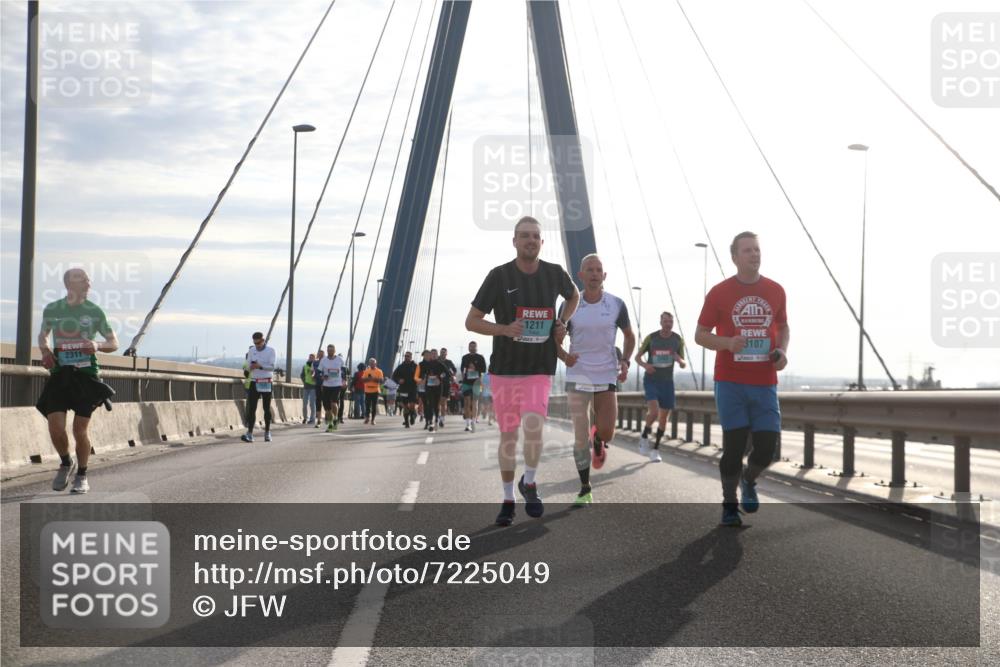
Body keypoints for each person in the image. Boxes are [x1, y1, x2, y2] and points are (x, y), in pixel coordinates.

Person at [466, 216, 580, 526]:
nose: (530, 240)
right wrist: (503, 328)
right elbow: (472, 321)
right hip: (504, 369)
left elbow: (574, 296)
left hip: (539, 368)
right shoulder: (498, 276)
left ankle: (529, 482)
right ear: (514, 241)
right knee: (508, 436)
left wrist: (563, 321)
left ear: (542, 243)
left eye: (535, 237)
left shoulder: (555, 273)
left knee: (533, 426)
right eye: (524, 236)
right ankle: (507, 499)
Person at [695, 231, 789, 527]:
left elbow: (784, 327)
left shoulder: (776, 290)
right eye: (747, 250)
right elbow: (700, 335)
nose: (754, 254)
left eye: (757, 249)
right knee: (734, 447)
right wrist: (726, 343)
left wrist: (782, 351)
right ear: (735, 257)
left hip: (764, 381)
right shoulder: (719, 292)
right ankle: (729, 506)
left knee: (767, 447)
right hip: (730, 381)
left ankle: (749, 480)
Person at [556, 254, 634, 506]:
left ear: (604, 275)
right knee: (580, 435)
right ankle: (584, 487)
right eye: (589, 269)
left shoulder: (616, 304)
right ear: (580, 275)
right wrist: (564, 355)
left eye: (598, 269)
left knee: (608, 431)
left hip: (606, 374)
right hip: (578, 373)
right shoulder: (569, 304)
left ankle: (599, 440)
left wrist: (625, 360)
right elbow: (555, 338)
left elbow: (629, 336)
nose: (594, 273)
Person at [36, 268, 118, 494]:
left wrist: (98, 345)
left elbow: (114, 342)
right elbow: (43, 334)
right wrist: (45, 351)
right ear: (70, 285)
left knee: (79, 429)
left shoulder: (94, 311)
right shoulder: (53, 309)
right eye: (84, 280)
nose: (89, 284)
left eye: (89, 280)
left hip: (86, 375)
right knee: (55, 426)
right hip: (61, 374)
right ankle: (65, 462)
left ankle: (82, 475)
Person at [634, 312, 687, 462]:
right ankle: (644, 436)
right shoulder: (652, 338)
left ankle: (655, 449)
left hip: (667, 382)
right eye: (665, 321)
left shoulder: (677, 340)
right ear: (660, 322)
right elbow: (637, 357)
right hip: (651, 380)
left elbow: (681, 359)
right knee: (654, 411)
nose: (668, 324)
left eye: (670, 322)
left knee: (663, 418)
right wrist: (645, 365)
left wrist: (680, 361)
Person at [241, 332, 276, 443]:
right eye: (255, 343)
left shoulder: (271, 351)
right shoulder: (252, 351)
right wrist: (248, 369)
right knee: (252, 408)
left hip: (266, 381)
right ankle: (250, 433)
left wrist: (259, 366)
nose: (257, 345)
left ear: (263, 340)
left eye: (259, 343)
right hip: (254, 382)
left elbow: (272, 367)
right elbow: (247, 365)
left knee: (266, 408)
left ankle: (267, 432)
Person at [415, 349, 447, 432]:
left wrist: (440, 377)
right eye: (432, 354)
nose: (433, 355)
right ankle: (430, 421)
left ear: (437, 355)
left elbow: (446, 373)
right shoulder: (426, 364)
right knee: (429, 404)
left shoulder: (440, 364)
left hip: (438, 387)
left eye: (435, 354)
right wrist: (424, 378)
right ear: (430, 355)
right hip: (428, 387)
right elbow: (421, 374)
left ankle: (436, 418)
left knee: (436, 405)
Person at [460, 340, 487, 432]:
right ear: (468, 347)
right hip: (466, 382)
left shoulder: (480, 358)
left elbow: (483, 370)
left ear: (476, 347)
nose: (472, 348)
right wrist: (463, 375)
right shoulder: (465, 357)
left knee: (474, 402)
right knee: (467, 402)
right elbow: (462, 368)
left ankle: (473, 422)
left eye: (474, 346)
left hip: (476, 383)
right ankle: (467, 424)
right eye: (471, 346)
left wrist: (475, 369)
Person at [318, 344, 345, 432]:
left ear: (334, 351)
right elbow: (318, 372)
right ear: (327, 351)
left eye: (332, 350)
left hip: (337, 385)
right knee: (327, 408)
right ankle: (330, 424)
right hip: (326, 385)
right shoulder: (323, 360)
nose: (330, 352)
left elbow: (344, 371)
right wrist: (322, 376)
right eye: (329, 350)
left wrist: (344, 380)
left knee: (334, 403)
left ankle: (335, 419)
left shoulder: (340, 360)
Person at [392, 351, 419, 428]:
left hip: (413, 388)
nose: (406, 357)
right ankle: (407, 422)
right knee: (405, 406)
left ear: (411, 357)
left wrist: (418, 380)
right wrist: (398, 380)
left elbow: (420, 375)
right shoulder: (400, 366)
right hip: (403, 389)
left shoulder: (415, 366)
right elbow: (394, 376)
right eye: (406, 356)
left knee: (412, 405)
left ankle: (413, 415)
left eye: (408, 356)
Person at [438, 347, 457, 427]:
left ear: (446, 354)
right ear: (440, 353)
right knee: (437, 402)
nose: (443, 354)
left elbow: (454, 370)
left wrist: (453, 376)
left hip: (446, 384)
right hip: (436, 384)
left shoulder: (449, 362)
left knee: (443, 402)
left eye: (444, 352)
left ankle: (442, 419)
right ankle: (438, 417)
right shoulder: (436, 361)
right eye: (441, 352)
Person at [361, 358, 385, 424]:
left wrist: (374, 379)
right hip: (367, 390)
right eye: (370, 363)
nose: (372, 364)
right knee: (367, 405)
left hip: (375, 390)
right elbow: (363, 380)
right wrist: (368, 379)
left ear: (375, 363)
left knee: (374, 406)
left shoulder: (379, 371)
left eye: (373, 363)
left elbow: (381, 381)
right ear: (369, 363)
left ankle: (373, 420)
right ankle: (367, 418)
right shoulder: (366, 371)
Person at [301, 352, 317, 425]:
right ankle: (305, 418)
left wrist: (315, 379)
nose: (311, 358)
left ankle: (312, 419)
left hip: (313, 387)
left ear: (315, 358)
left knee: (312, 404)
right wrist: (304, 381)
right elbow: (302, 375)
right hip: (306, 387)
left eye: (313, 357)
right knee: (304, 404)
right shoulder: (305, 366)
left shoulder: (317, 366)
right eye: (310, 357)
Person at [313, 348, 326, 427]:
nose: (320, 356)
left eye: (322, 355)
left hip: (326, 385)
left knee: (325, 401)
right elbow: (313, 372)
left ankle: (327, 415)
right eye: (319, 355)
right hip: (317, 384)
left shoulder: (326, 363)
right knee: (318, 401)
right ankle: (318, 419)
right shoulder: (315, 363)